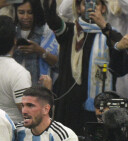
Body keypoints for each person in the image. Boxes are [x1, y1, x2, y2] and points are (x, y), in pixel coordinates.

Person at [42, 0, 113, 134]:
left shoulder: (110, 35)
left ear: (103, 8)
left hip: (97, 106)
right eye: (85, 3)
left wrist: (104, 27)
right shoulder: (69, 31)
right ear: (78, 8)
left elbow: (119, 65)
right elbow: (52, 20)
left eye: (95, 4)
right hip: (69, 104)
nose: (90, 8)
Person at [12, 0, 59, 87]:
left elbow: (57, 64)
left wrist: (39, 51)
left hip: (38, 87)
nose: (25, 17)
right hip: (15, 83)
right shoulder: (11, 31)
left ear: (36, 12)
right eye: (21, 12)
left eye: (30, 12)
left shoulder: (46, 32)